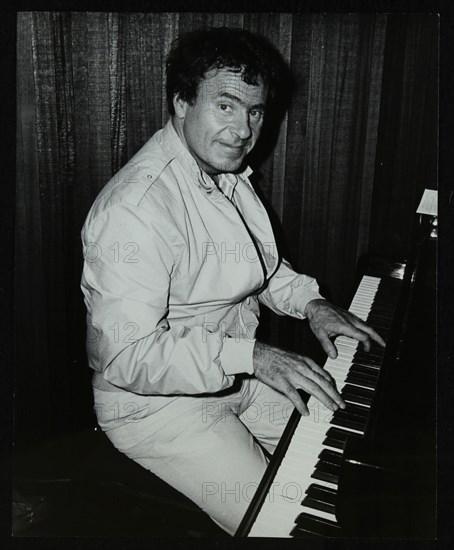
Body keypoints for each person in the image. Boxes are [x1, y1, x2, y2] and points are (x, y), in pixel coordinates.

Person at [80, 27, 384, 535]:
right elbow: (127, 356)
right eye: (226, 105)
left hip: (234, 379)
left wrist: (310, 303)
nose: (243, 129)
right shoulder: (134, 209)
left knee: (343, 440)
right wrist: (255, 357)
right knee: (288, 525)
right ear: (180, 101)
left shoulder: (222, 171)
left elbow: (253, 267)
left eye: (256, 111)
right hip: (156, 409)